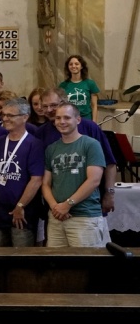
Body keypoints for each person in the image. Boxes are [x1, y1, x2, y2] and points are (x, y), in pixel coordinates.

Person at [42, 104, 106, 247]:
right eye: (58, 118)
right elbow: (45, 183)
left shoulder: (91, 144)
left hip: (84, 217)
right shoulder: (51, 149)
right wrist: (55, 207)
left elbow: (94, 180)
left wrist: (67, 204)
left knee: (84, 260)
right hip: (56, 217)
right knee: (55, 260)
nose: (62, 122)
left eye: (67, 117)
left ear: (78, 120)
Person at [0, 98, 46, 247]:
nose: (5, 119)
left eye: (10, 115)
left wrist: (20, 206)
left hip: (22, 213)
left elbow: (36, 179)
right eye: (4, 115)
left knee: (20, 257)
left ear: (25, 117)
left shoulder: (34, 144)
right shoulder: (0, 141)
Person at [59, 55, 100, 121]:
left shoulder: (90, 83)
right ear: (68, 67)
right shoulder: (63, 85)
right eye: (71, 64)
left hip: (86, 118)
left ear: (81, 66)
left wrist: (94, 122)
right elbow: (61, 105)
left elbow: (94, 105)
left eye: (76, 64)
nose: (73, 66)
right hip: (69, 119)